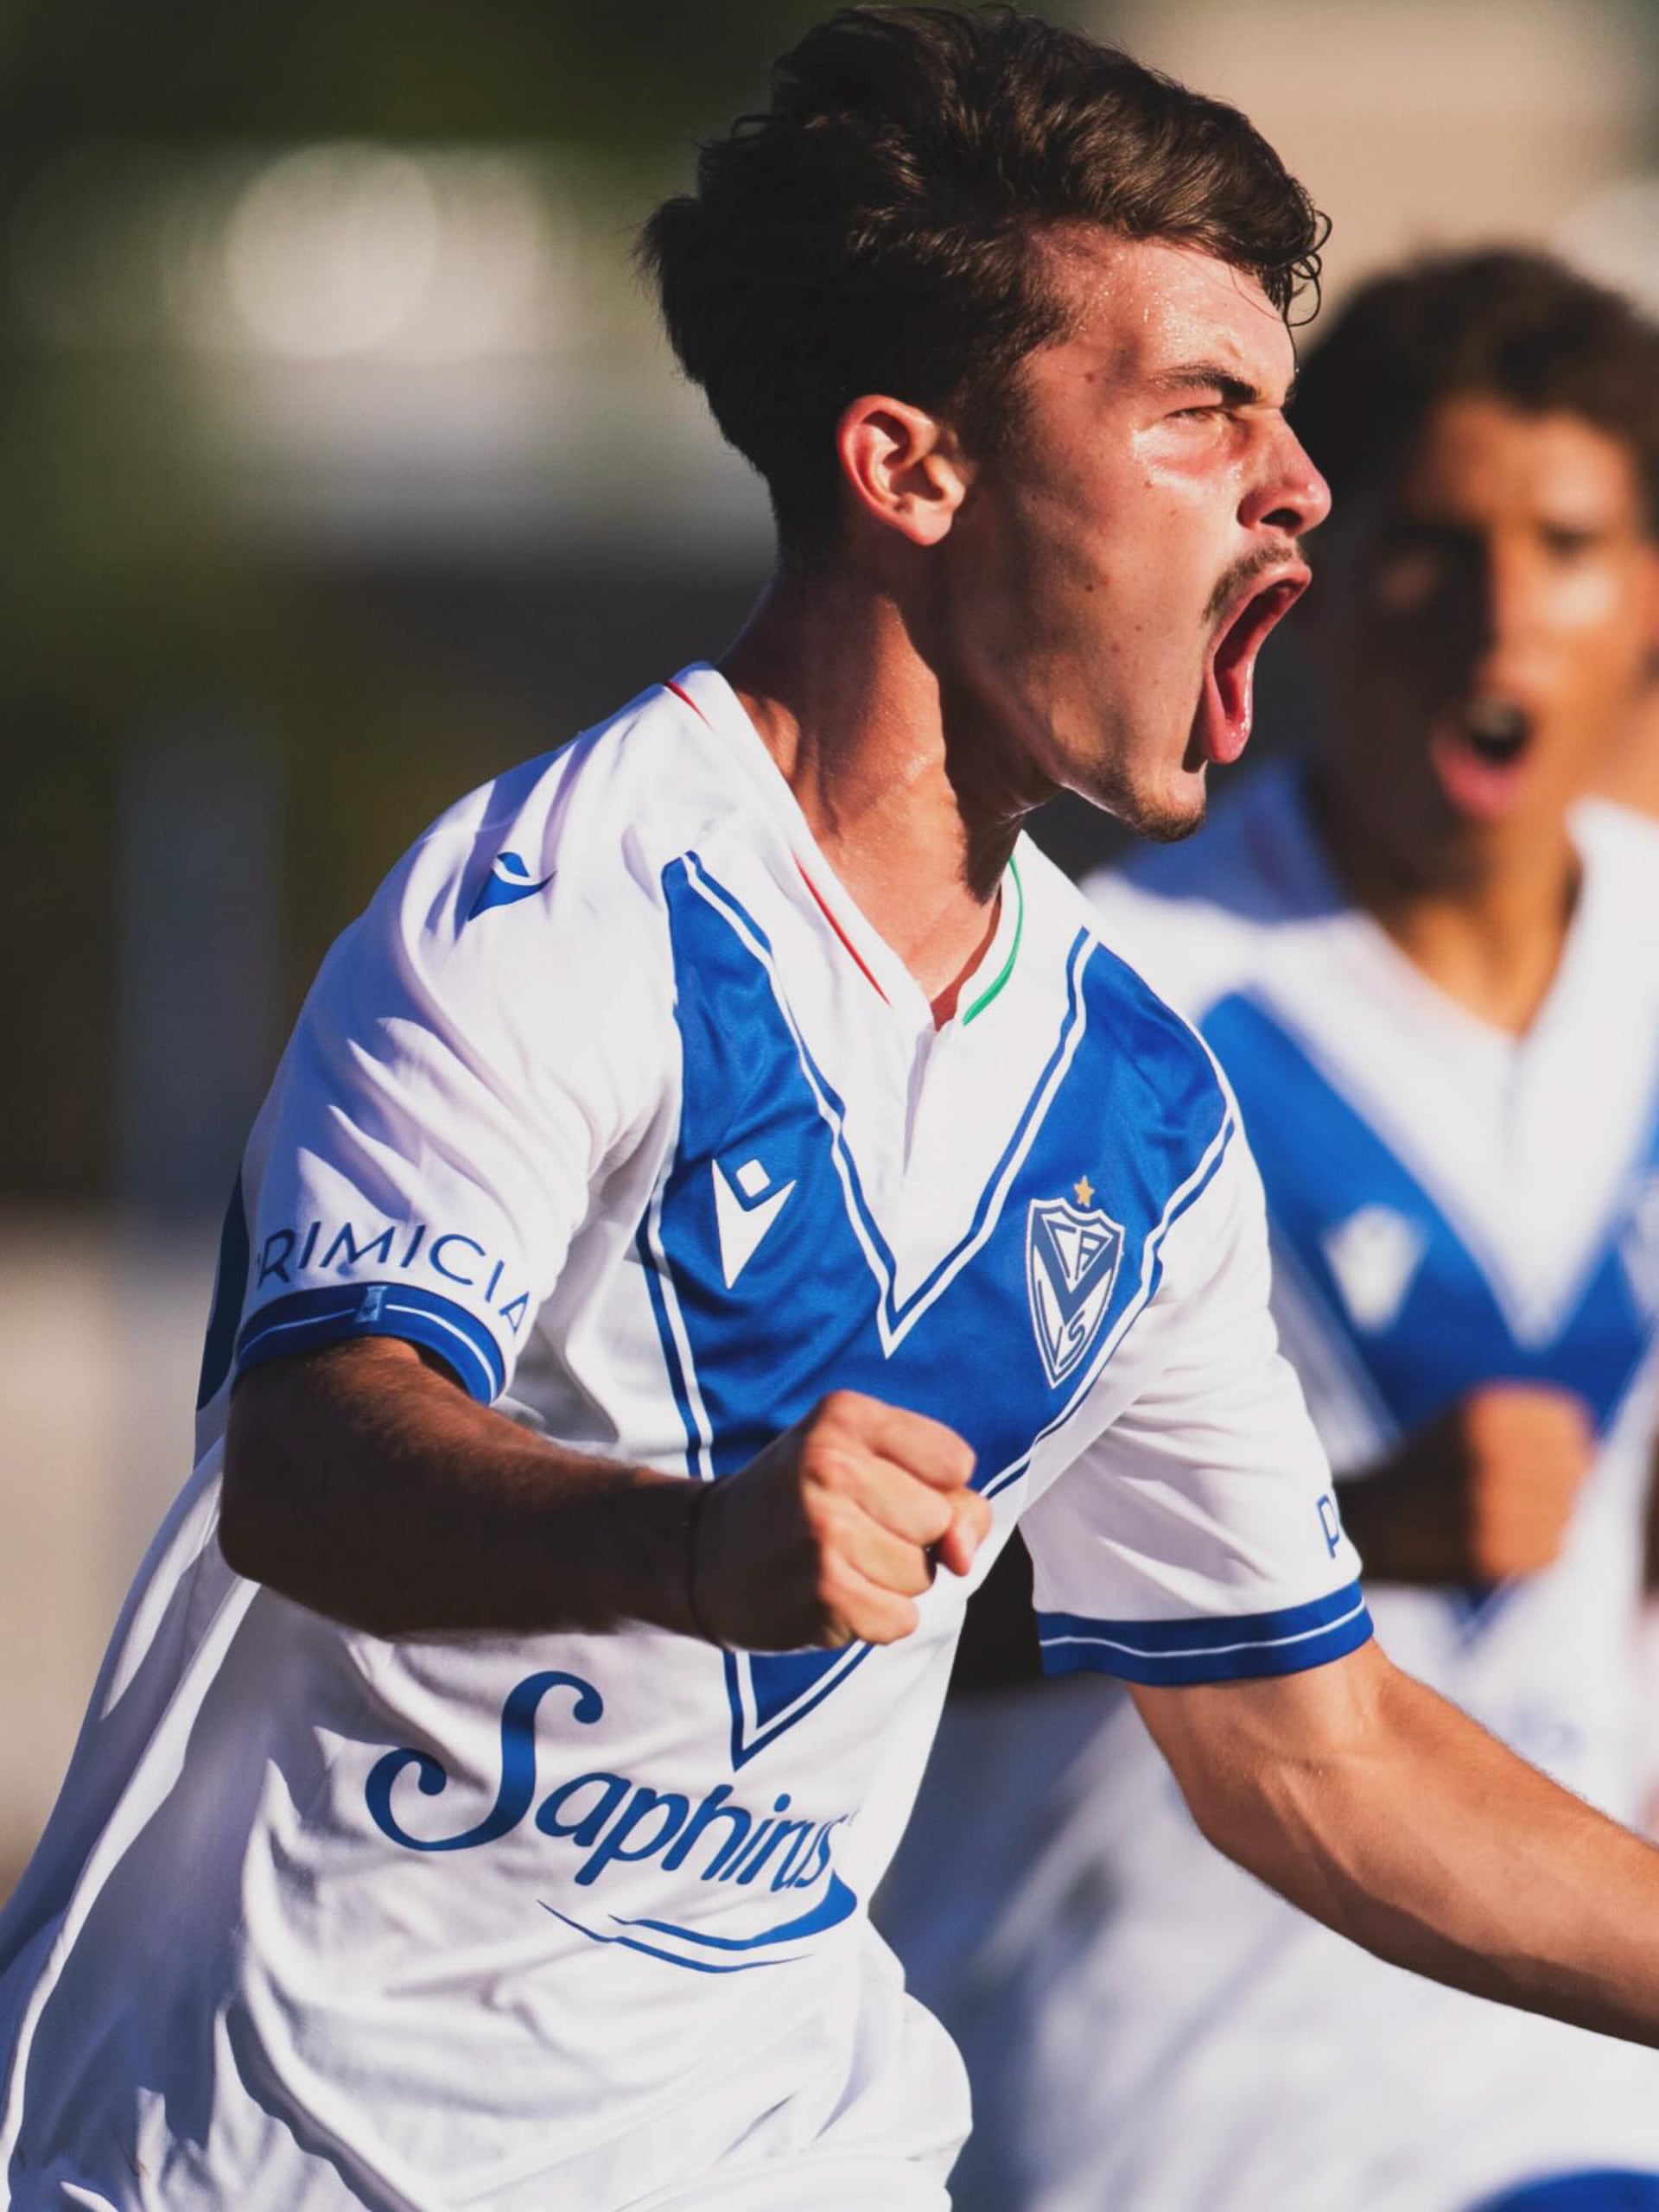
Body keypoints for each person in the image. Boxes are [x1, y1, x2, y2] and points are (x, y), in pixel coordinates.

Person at [4, 8, 1659, 2198]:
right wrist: (687, 1544)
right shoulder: (558, 904)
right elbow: (315, 1455)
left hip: (789, 2143)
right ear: (913, 467)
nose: (1303, 491)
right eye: (1202, 411)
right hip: (276, 2146)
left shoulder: (1136, 1096)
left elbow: (1317, 1749)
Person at [879, 247, 1659, 2212]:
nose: (1499, 608)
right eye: (1431, 541)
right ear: (1311, 583)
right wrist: (1354, 1528)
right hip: (1160, 2090)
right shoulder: (1106, 1001)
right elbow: (860, 1588)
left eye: (1566, 541)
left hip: (1569, 2075)